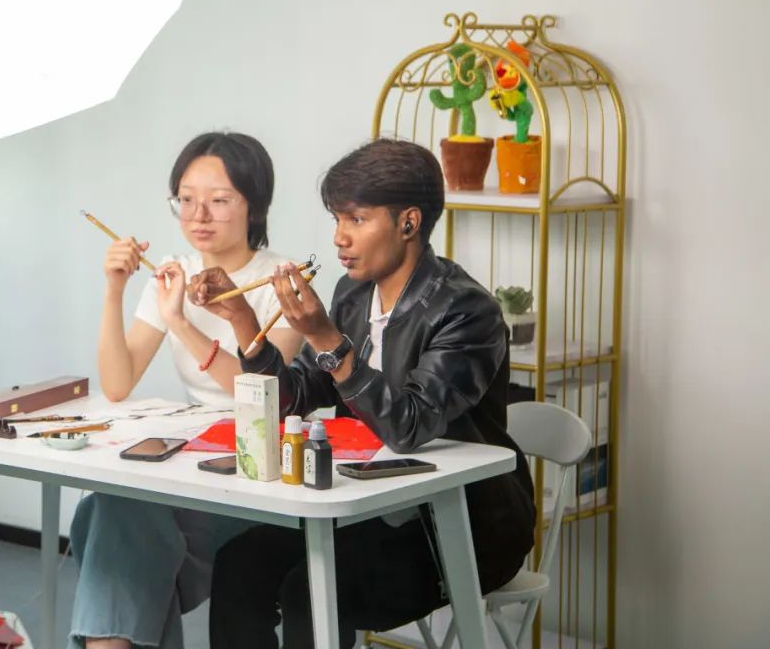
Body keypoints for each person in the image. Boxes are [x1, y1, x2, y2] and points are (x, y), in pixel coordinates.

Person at [190, 139, 536, 649]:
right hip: (369, 506)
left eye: (356, 219)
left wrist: (328, 340)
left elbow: (409, 426)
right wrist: (243, 319)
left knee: (310, 591)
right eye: (337, 219)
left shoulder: (466, 311)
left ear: (408, 223)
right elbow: (293, 396)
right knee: (239, 563)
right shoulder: (352, 294)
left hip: (462, 523)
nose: (339, 237)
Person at [69, 132, 303, 649]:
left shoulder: (281, 282)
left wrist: (181, 324)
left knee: (110, 514)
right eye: (186, 199)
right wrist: (114, 288)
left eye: (218, 201)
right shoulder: (174, 273)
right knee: (114, 509)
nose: (199, 215)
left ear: (255, 205)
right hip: (194, 459)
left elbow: (265, 394)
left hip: (258, 467)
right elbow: (117, 383)